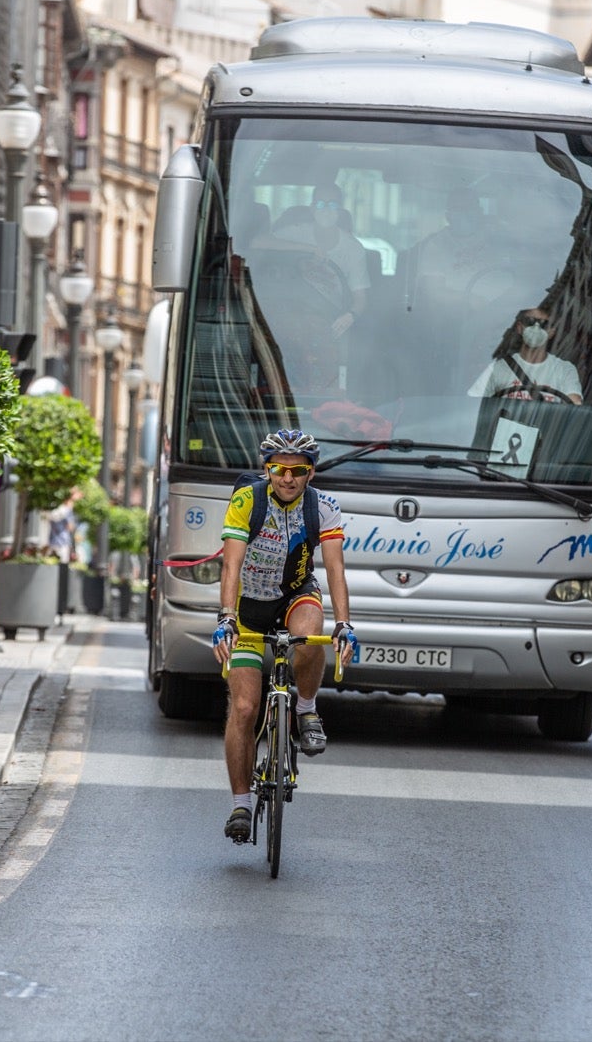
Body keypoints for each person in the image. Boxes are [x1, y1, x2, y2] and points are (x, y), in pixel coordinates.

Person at [210, 429, 354, 844]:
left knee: (311, 630)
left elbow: (335, 569)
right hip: (249, 607)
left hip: (295, 594)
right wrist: (226, 617)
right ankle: (240, 803)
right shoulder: (248, 501)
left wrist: (345, 622)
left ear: (311, 472)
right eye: (279, 469)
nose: (288, 478)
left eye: (298, 470)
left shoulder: (323, 507)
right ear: (266, 469)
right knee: (243, 706)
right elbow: (230, 567)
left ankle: (306, 710)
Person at [256, 183, 370, 338]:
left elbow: (360, 298)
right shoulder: (297, 232)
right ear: (312, 208)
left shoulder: (353, 248)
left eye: (332, 204)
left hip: (326, 317)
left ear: (340, 210)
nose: (326, 210)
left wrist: (350, 316)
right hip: (289, 310)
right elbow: (257, 243)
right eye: (320, 204)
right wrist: (308, 248)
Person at [467, 307, 583, 403]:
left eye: (544, 324)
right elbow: (473, 404)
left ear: (552, 331)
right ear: (519, 327)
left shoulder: (564, 370)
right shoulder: (498, 368)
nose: (536, 327)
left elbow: (574, 406)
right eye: (530, 322)